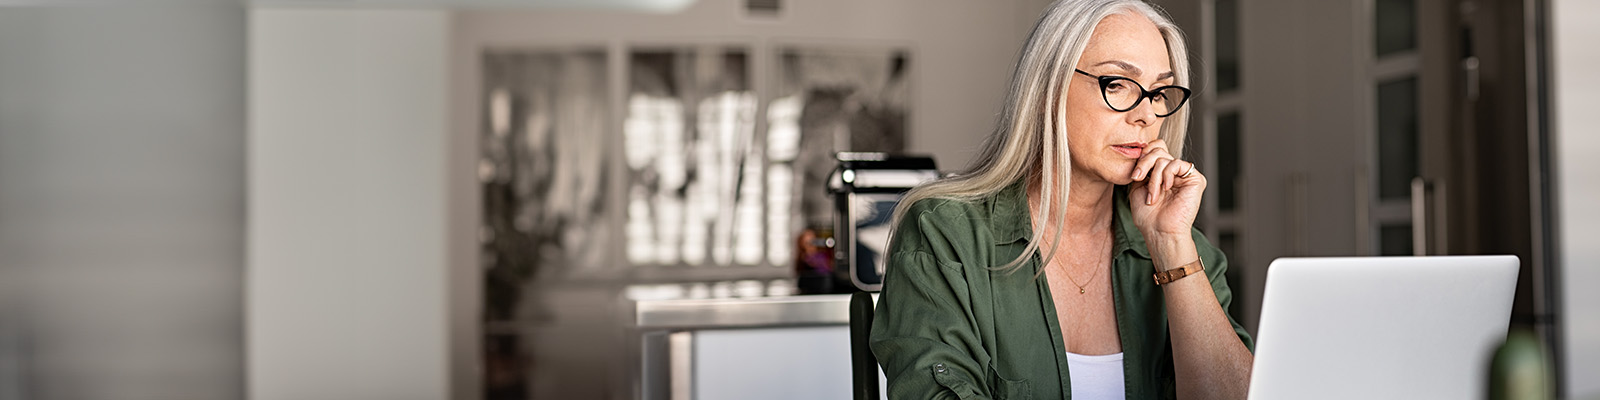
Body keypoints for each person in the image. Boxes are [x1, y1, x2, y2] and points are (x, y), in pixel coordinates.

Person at [869, 0, 1254, 399]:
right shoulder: (944, 232)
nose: (1146, 115)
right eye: (1117, 84)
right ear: (1048, 87)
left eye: (1158, 93)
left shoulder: (1187, 252)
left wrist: (1171, 247)